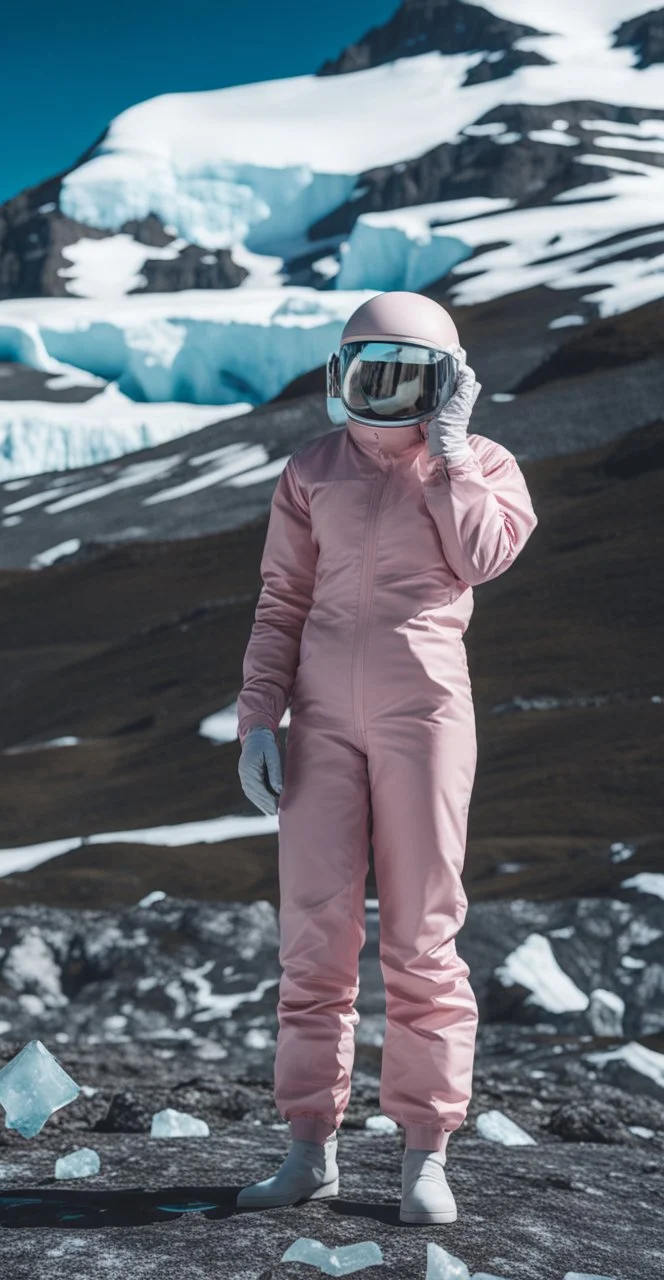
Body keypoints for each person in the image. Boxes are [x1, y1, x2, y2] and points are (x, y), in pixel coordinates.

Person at [235, 290, 538, 1224]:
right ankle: (307, 1150)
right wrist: (258, 718)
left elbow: (485, 557)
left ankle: (423, 1158)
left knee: (423, 937)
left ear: (448, 383)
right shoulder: (312, 468)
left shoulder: (483, 467)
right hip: (320, 722)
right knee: (313, 939)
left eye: (411, 379)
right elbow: (282, 602)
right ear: (342, 374)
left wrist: (448, 453)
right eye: (373, 373)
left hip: (428, 718)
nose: (387, 395)